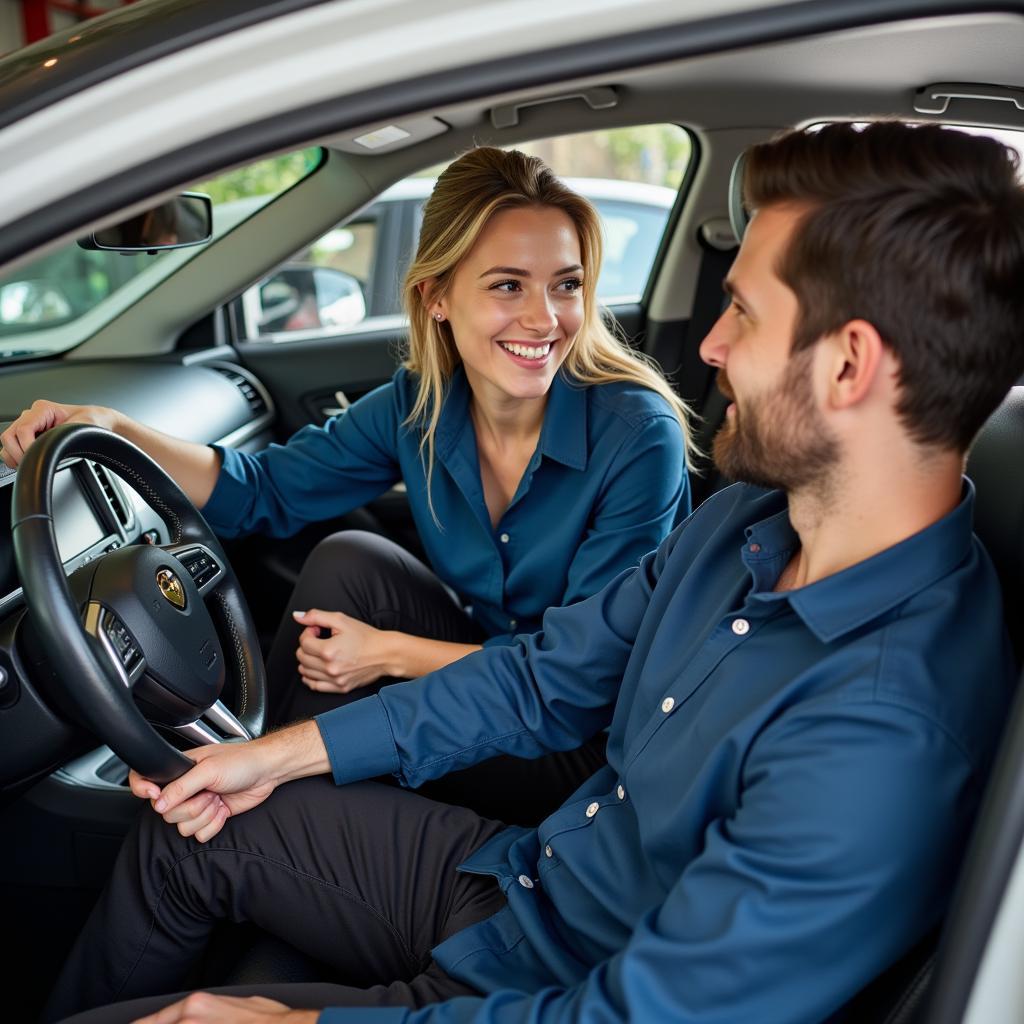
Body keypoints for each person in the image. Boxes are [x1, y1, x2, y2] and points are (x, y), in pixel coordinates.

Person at [41, 120, 1024, 1024]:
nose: (710, 348)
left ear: (849, 366)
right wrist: (277, 754)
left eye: (741, 313)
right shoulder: (745, 523)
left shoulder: (882, 729)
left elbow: (636, 1015)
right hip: (525, 877)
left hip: (551, 983)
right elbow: (549, 675)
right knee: (199, 820)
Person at [1, 148, 693, 825]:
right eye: (508, 285)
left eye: (566, 284)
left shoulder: (637, 434)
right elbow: (264, 492)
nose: (546, 319)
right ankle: (248, 784)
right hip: (488, 680)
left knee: (290, 771)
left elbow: (579, 681)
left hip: (587, 744)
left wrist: (387, 654)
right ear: (437, 296)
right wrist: (117, 428)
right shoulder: (420, 404)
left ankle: (258, 802)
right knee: (349, 559)